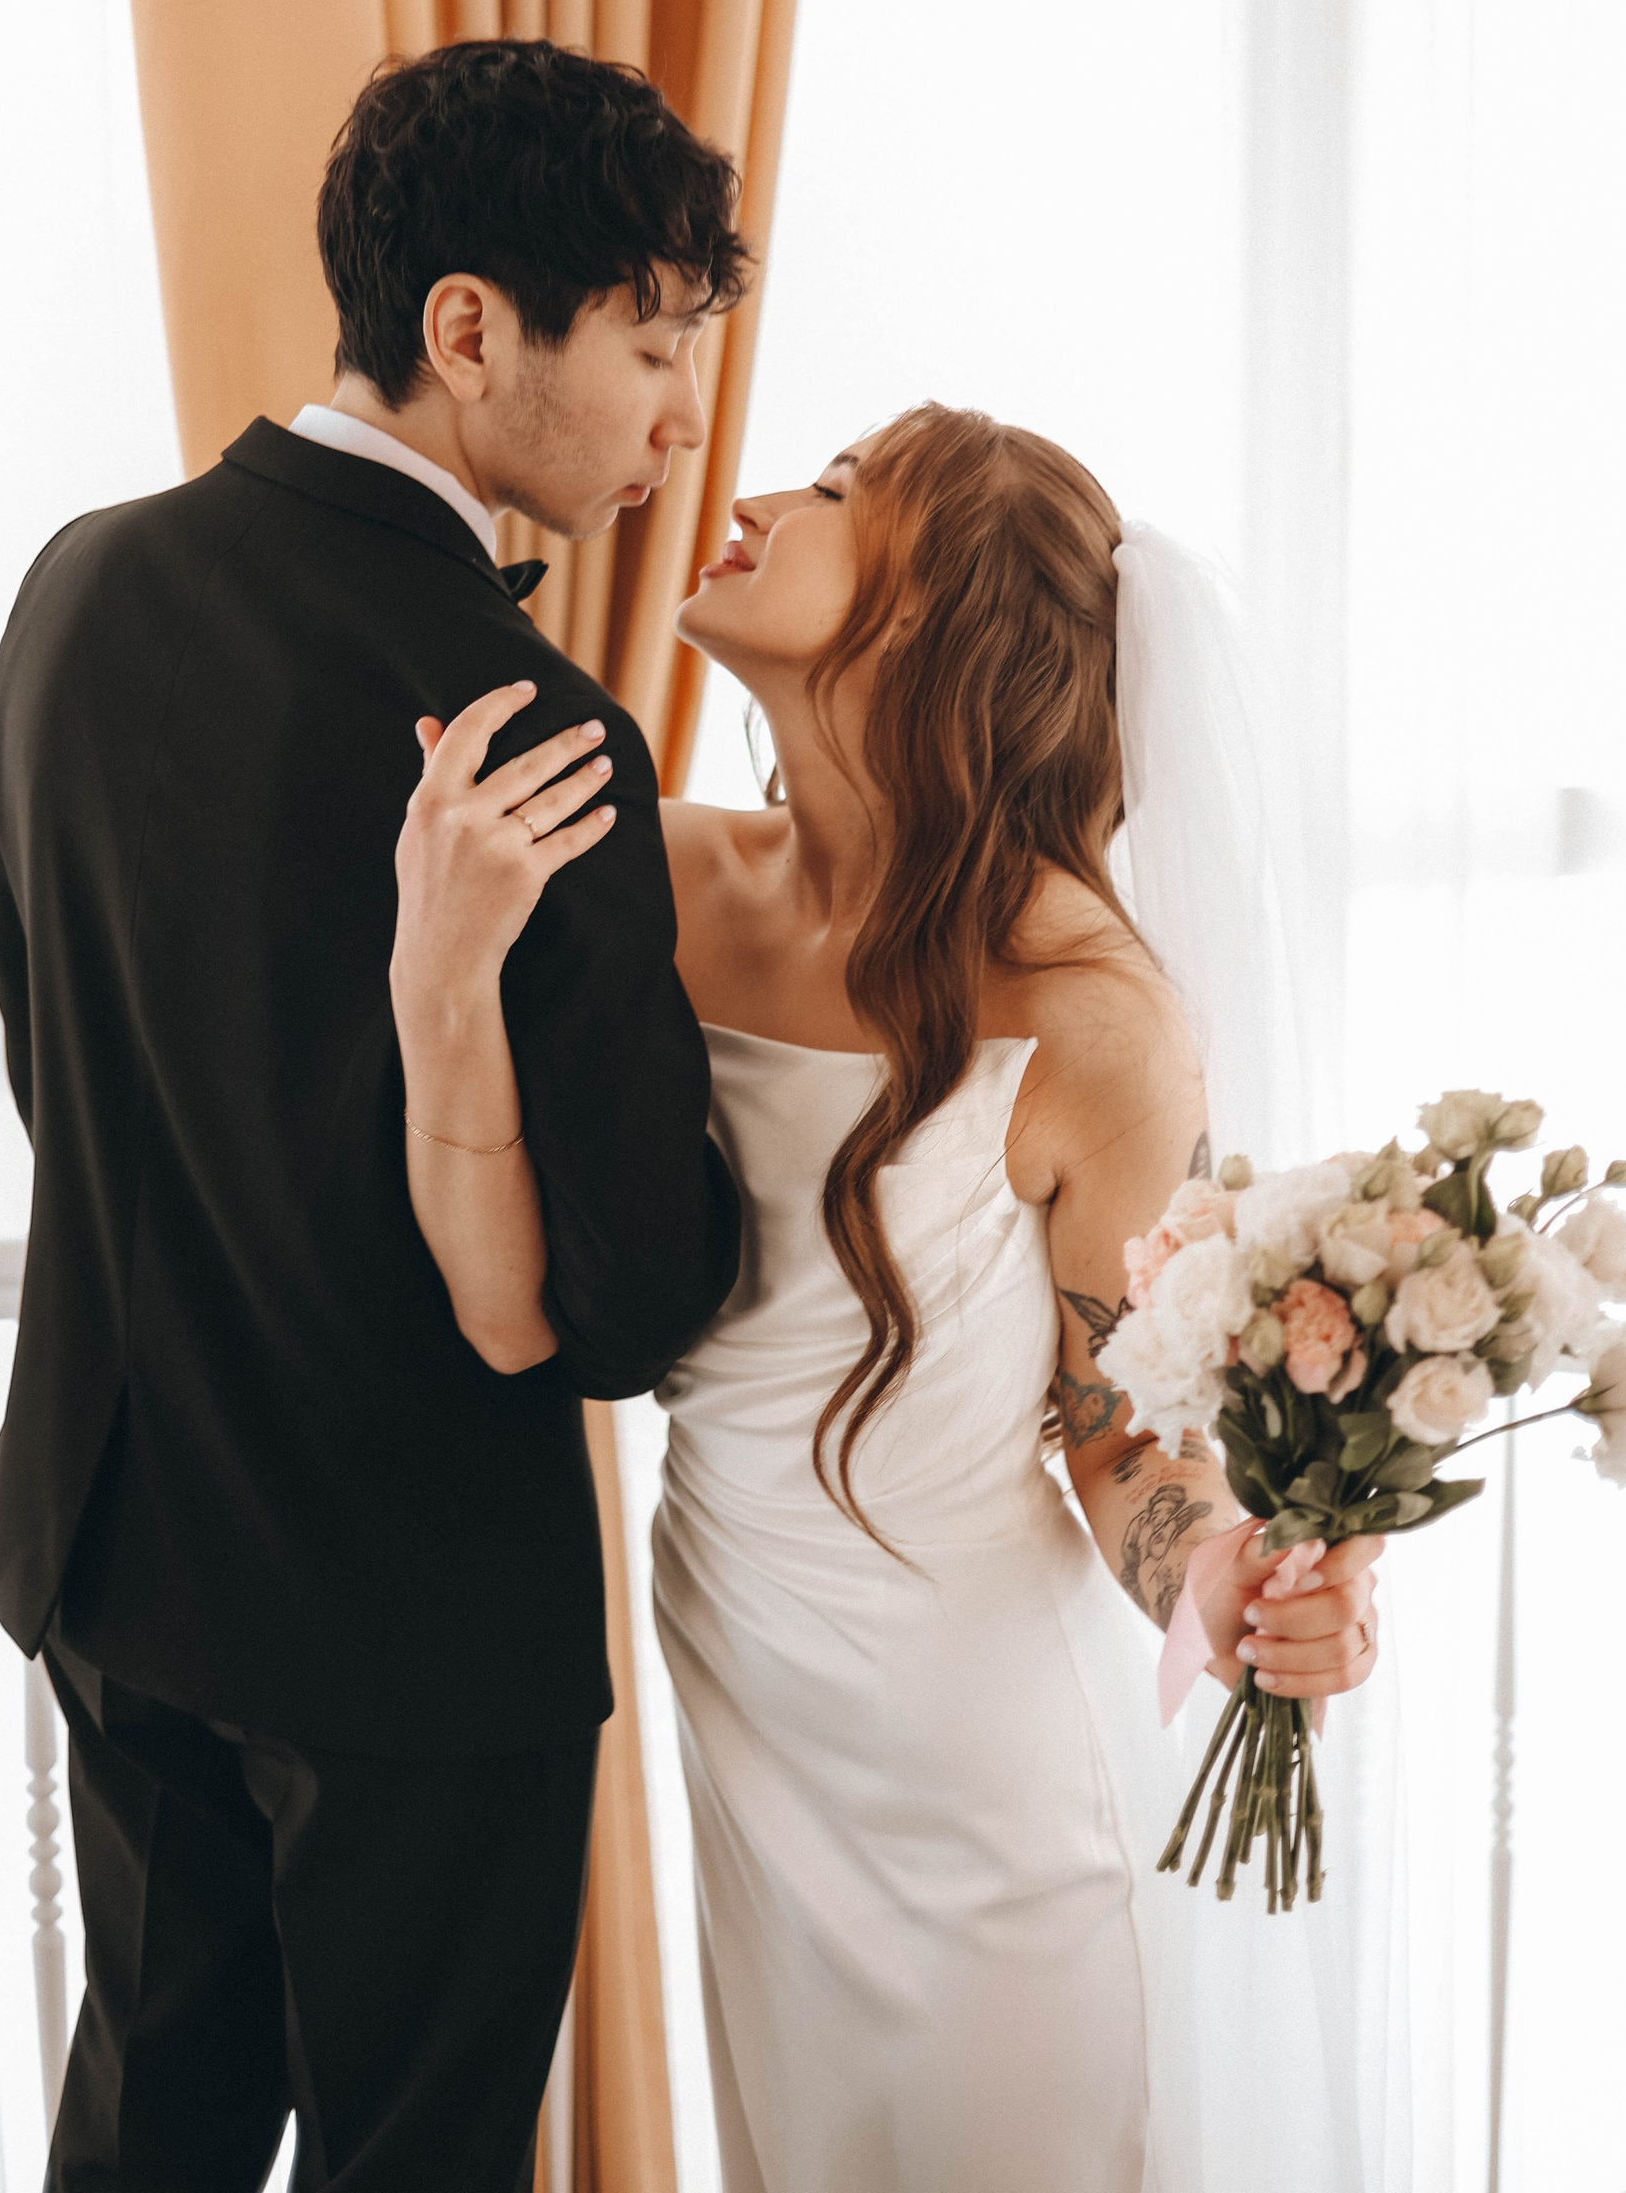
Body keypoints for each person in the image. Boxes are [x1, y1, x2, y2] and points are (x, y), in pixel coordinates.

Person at [0, 39, 747, 2193]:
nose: (685, 416)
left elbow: (55, 1059)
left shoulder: (78, 589)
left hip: (122, 1539)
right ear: (470, 327)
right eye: (654, 344)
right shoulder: (539, 737)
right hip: (412, 1610)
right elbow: (628, 1308)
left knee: (150, 2136)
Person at [648, 405, 1384, 2192]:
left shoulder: (1090, 1007)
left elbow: (1123, 1432)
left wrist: (1224, 1580)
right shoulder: (650, 883)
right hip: (748, 1742)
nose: (756, 496)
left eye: (837, 493)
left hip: (981, 1799)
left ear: (929, 618)